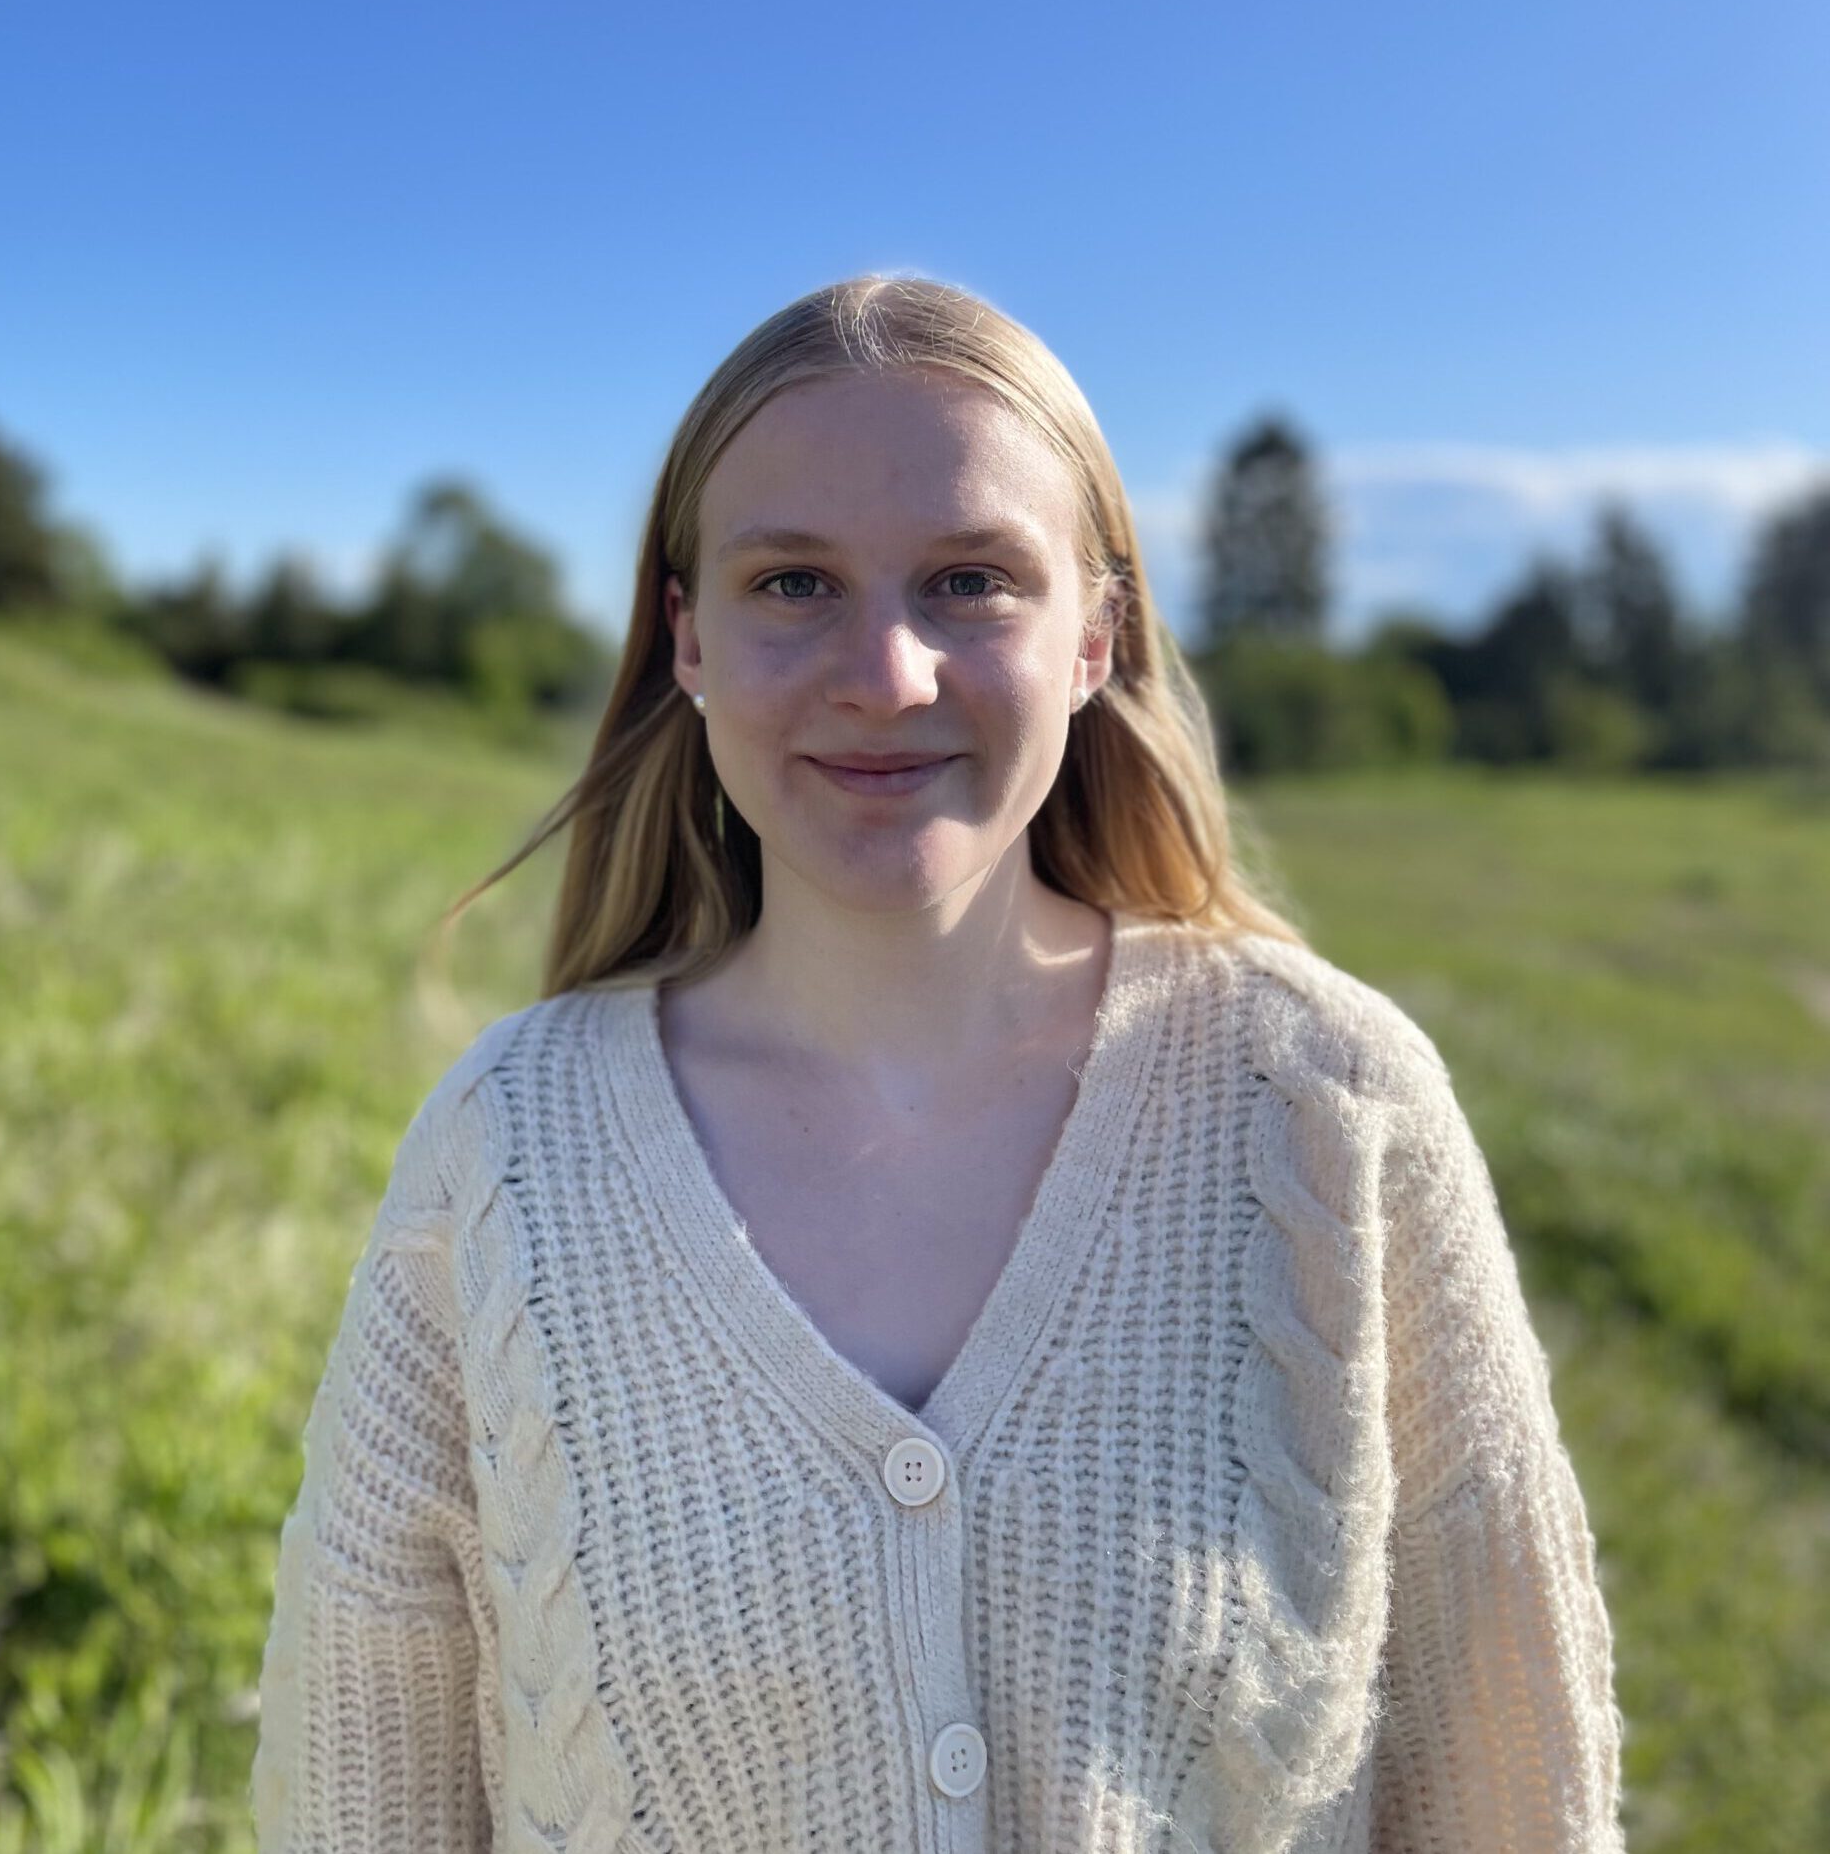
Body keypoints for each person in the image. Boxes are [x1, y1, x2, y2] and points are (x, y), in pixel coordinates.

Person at [250, 274, 1627, 1852]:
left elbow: (1518, 1793)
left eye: (970, 579)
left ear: (1096, 634)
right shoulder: (506, 1153)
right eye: (793, 584)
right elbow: (361, 1796)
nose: (887, 672)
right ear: (688, 635)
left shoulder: (1330, 1106)